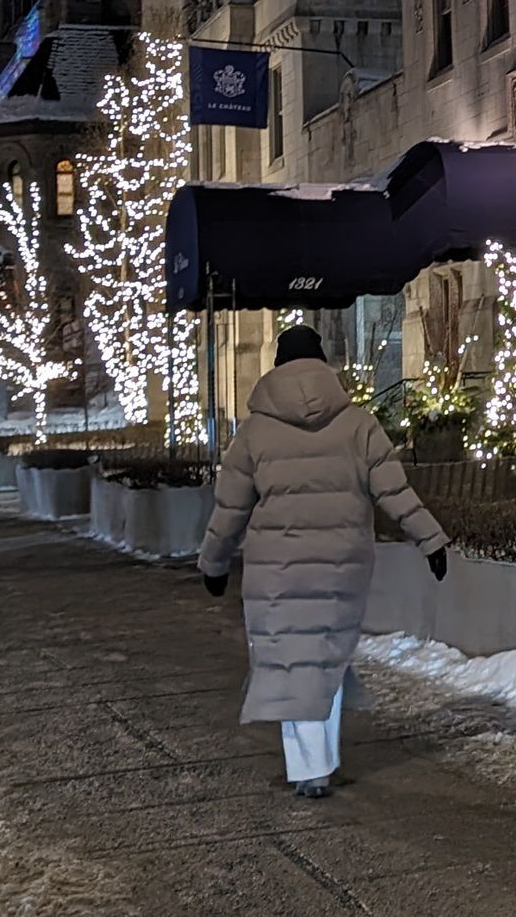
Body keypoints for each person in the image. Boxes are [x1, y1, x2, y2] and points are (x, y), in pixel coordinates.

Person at [197, 325, 449, 798]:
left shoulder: (254, 432)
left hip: (275, 572)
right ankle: (321, 763)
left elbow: (229, 509)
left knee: (293, 663)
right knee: (324, 658)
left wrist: (213, 565)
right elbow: (394, 491)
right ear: (323, 364)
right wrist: (430, 540)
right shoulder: (358, 425)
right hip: (341, 566)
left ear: (276, 367)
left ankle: (311, 768)